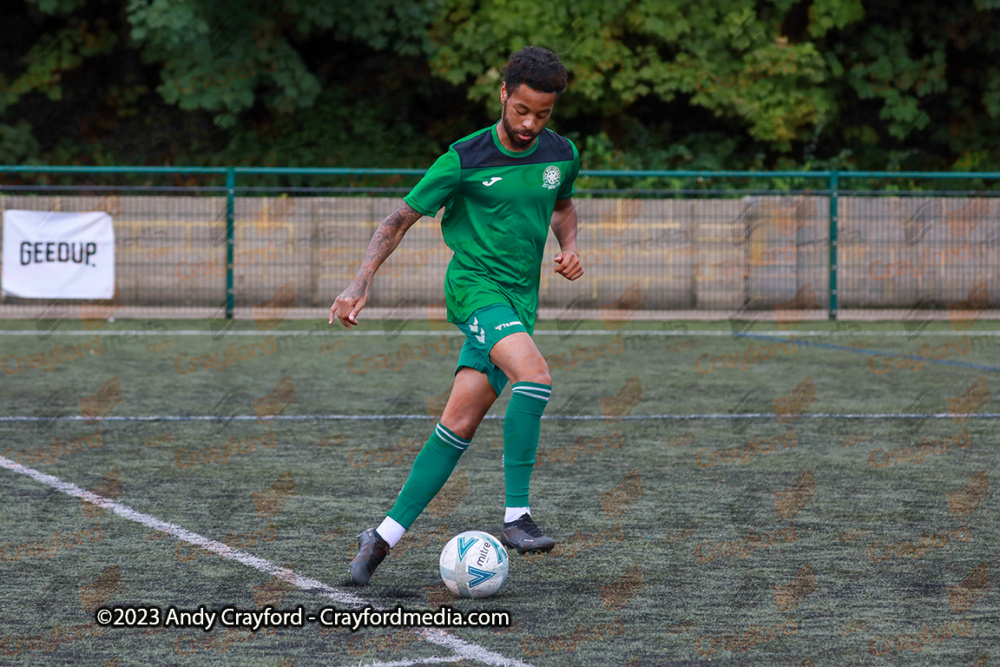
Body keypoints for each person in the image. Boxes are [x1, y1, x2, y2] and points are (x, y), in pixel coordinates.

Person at [330, 45, 583, 586]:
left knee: (457, 426)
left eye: (542, 114)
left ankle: (379, 540)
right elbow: (397, 220)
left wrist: (570, 246)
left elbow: (562, 206)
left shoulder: (561, 154)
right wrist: (360, 281)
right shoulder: (464, 158)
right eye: (521, 110)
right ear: (503, 96)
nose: (530, 123)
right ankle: (516, 517)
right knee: (535, 378)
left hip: (520, 303)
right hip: (475, 291)